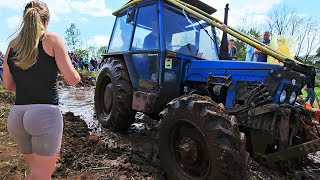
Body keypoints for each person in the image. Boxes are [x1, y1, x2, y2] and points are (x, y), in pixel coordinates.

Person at [2, 1, 80, 179]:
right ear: (47, 20)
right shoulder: (52, 39)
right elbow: (72, 78)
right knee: (41, 176)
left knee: (36, 171)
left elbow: (7, 85)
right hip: (44, 115)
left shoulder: (12, 45)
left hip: (17, 117)